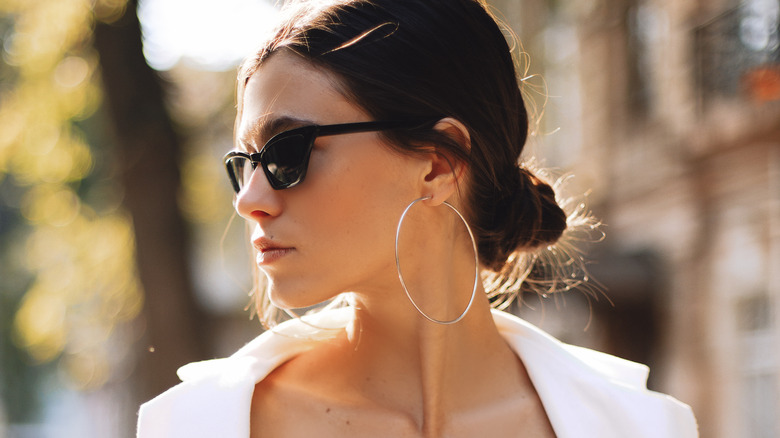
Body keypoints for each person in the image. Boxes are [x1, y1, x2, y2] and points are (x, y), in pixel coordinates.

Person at [137, 0, 698, 436]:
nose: (248, 198)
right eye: (245, 163)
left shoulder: (638, 427)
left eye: (287, 153)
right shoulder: (201, 425)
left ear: (438, 163)